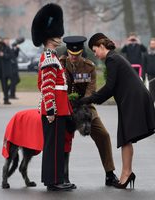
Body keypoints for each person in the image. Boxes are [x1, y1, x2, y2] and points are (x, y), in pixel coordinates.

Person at [80, 33, 155, 189]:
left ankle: (126, 174)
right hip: (131, 98)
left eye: (95, 50)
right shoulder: (115, 57)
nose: (95, 54)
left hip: (132, 99)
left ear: (102, 46)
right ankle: (127, 173)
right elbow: (113, 87)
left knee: (125, 136)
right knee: (125, 137)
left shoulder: (112, 59)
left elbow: (110, 87)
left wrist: (88, 99)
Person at [60, 35, 118, 187]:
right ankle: (61, 177)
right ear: (67, 52)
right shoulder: (60, 64)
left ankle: (110, 174)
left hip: (84, 106)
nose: (74, 57)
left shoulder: (89, 66)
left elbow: (91, 90)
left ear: (81, 53)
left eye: (77, 54)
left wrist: (82, 103)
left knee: (103, 135)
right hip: (64, 107)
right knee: (61, 141)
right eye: (71, 55)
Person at [31, 3, 74, 191]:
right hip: (54, 109)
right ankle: (53, 181)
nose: (60, 38)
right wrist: (50, 109)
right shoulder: (49, 57)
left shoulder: (52, 55)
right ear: (50, 38)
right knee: (53, 147)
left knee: (56, 145)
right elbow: (47, 87)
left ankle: (56, 179)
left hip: (59, 107)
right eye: (57, 35)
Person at [143, 38, 155, 102]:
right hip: (150, 75)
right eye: (152, 44)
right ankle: (152, 105)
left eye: (154, 44)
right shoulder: (146, 54)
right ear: (150, 44)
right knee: (151, 90)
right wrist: (143, 76)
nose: (153, 45)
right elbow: (144, 65)